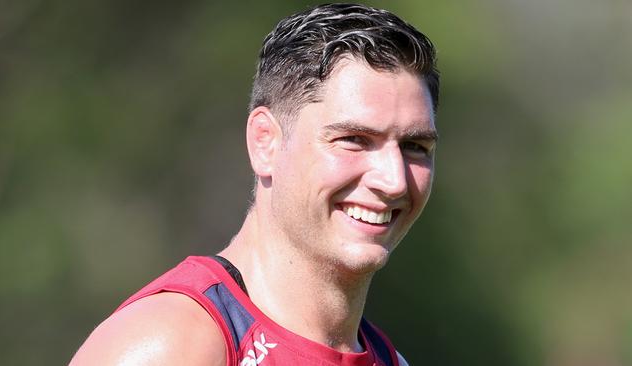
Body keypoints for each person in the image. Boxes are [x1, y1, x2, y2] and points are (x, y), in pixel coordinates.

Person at [70, 3, 439, 365]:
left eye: (415, 147)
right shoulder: (172, 344)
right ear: (266, 142)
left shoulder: (389, 359)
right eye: (354, 139)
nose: (393, 181)